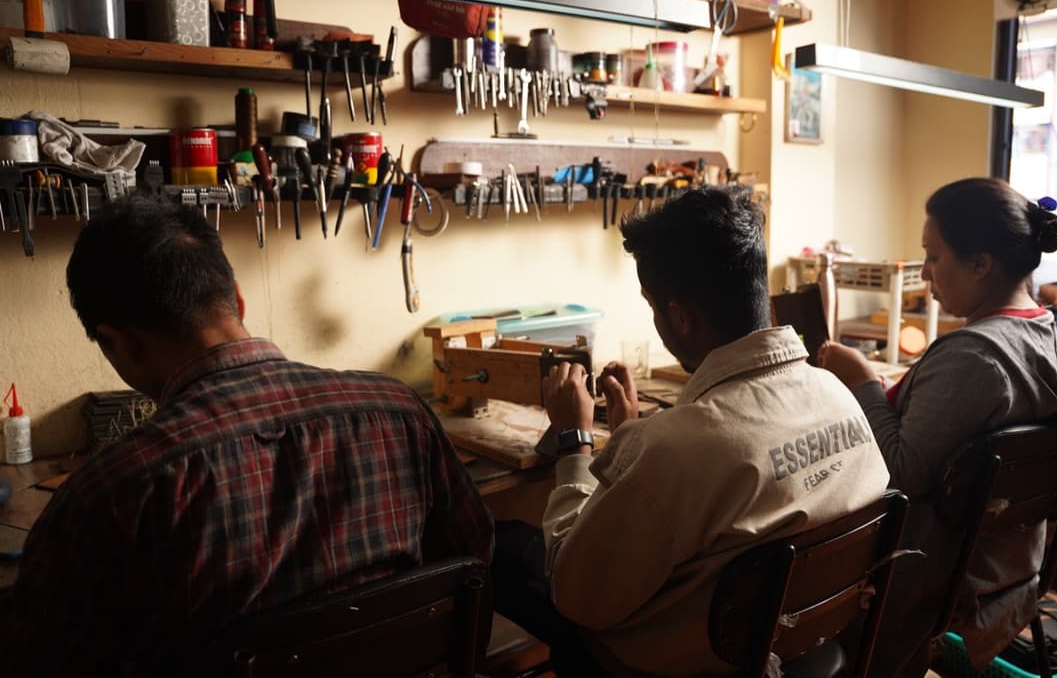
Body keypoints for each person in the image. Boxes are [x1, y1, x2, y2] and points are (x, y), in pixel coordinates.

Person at [0, 200, 493, 673]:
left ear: (118, 342)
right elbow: (473, 556)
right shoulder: (399, 412)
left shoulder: (112, 490)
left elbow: (35, 659)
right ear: (236, 298)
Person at [494, 185, 890, 676]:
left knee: (500, 547)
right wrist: (628, 441)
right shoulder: (837, 395)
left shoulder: (673, 448)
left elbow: (576, 595)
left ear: (680, 317)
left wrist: (576, 439)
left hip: (688, 663)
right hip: (801, 645)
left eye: (654, 308)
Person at [818, 177, 1057, 678]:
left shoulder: (975, 355)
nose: (924, 273)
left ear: (980, 264)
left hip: (931, 571)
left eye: (934, 258)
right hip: (1009, 559)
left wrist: (863, 380)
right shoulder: (1042, 330)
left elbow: (899, 469)